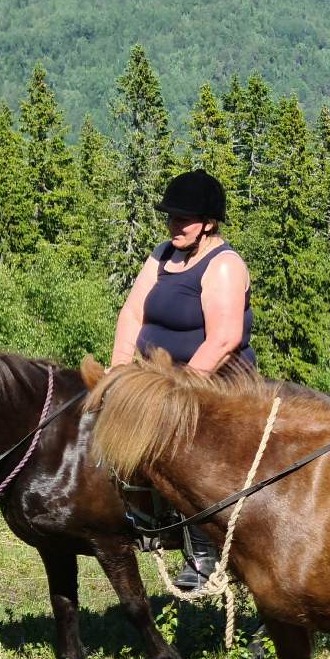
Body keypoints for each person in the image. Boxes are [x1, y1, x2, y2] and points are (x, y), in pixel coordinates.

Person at [111, 168, 255, 591]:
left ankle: (203, 552)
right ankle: (142, 519)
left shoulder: (224, 265)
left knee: (184, 452)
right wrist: (120, 372)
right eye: (171, 217)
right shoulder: (162, 256)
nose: (175, 225)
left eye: (184, 219)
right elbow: (132, 312)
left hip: (216, 382)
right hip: (160, 377)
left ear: (209, 223)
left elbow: (224, 339)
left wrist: (177, 388)